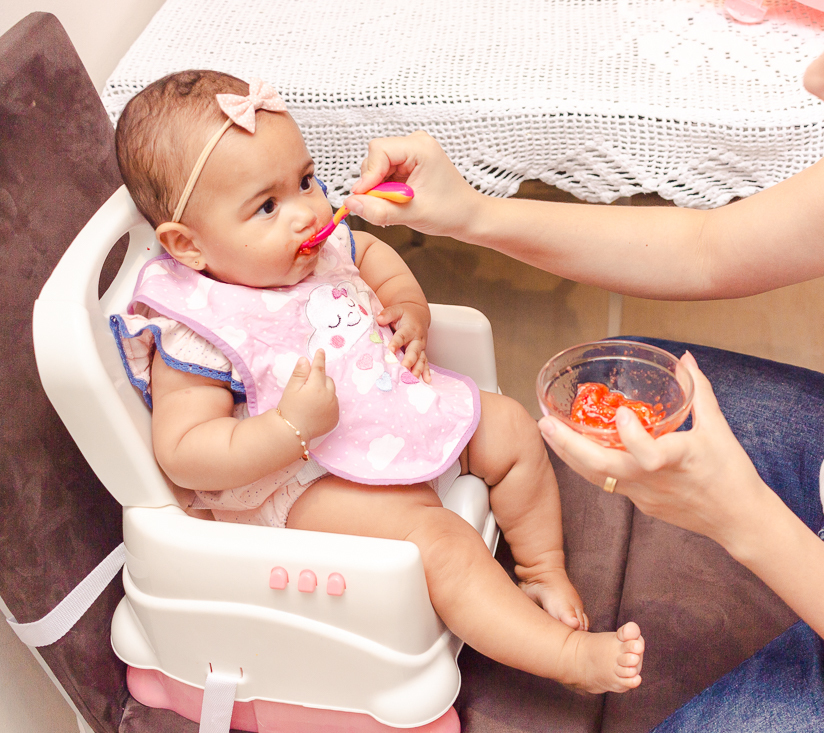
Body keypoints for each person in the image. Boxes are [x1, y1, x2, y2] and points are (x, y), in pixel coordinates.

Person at [341, 0, 824, 729]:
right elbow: (712, 249)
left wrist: (744, 519)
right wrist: (473, 212)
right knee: (618, 389)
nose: (814, 79)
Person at [108, 69, 645, 695]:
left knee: (512, 428)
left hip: (384, 411)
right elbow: (184, 453)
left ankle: (542, 568)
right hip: (299, 483)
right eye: (268, 206)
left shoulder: (318, 248)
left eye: (305, 180)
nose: (309, 211)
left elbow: (371, 256)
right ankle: (567, 657)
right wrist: (287, 429)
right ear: (188, 246)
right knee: (437, 539)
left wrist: (408, 309)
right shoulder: (200, 329)